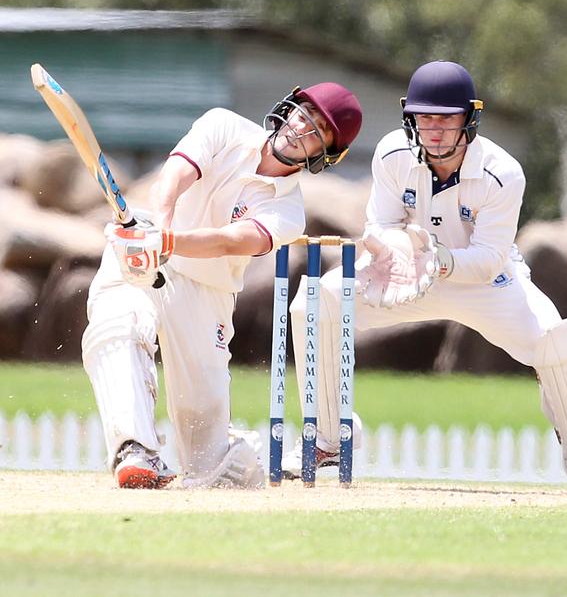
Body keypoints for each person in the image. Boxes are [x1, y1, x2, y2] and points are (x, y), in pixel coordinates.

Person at [283, 61, 567, 497]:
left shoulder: (501, 173)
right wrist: (389, 251)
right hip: (407, 277)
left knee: (561, 342)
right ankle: (330, 439)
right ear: (411, 117)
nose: (435, 129)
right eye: (425, 117)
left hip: (486, 284)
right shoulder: (392, 154)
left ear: (470, 118)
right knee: (317, 302)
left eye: (446, 118)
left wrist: (437, 259)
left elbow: (487, 259)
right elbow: (380, 223)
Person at [81, 82, 362, 489]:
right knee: (117, 325)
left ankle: (244, 457)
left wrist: (171, 242)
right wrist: (158, 228)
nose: (303, 128)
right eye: (305, 114)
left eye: (319, 130)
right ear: (289, 107)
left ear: (324, 154)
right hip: (142, 252)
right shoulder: (224, 125)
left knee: (208, 458)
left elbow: (232, 240)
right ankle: (135, 450)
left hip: (207, 292)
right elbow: (175, 174)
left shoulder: (289, 211)